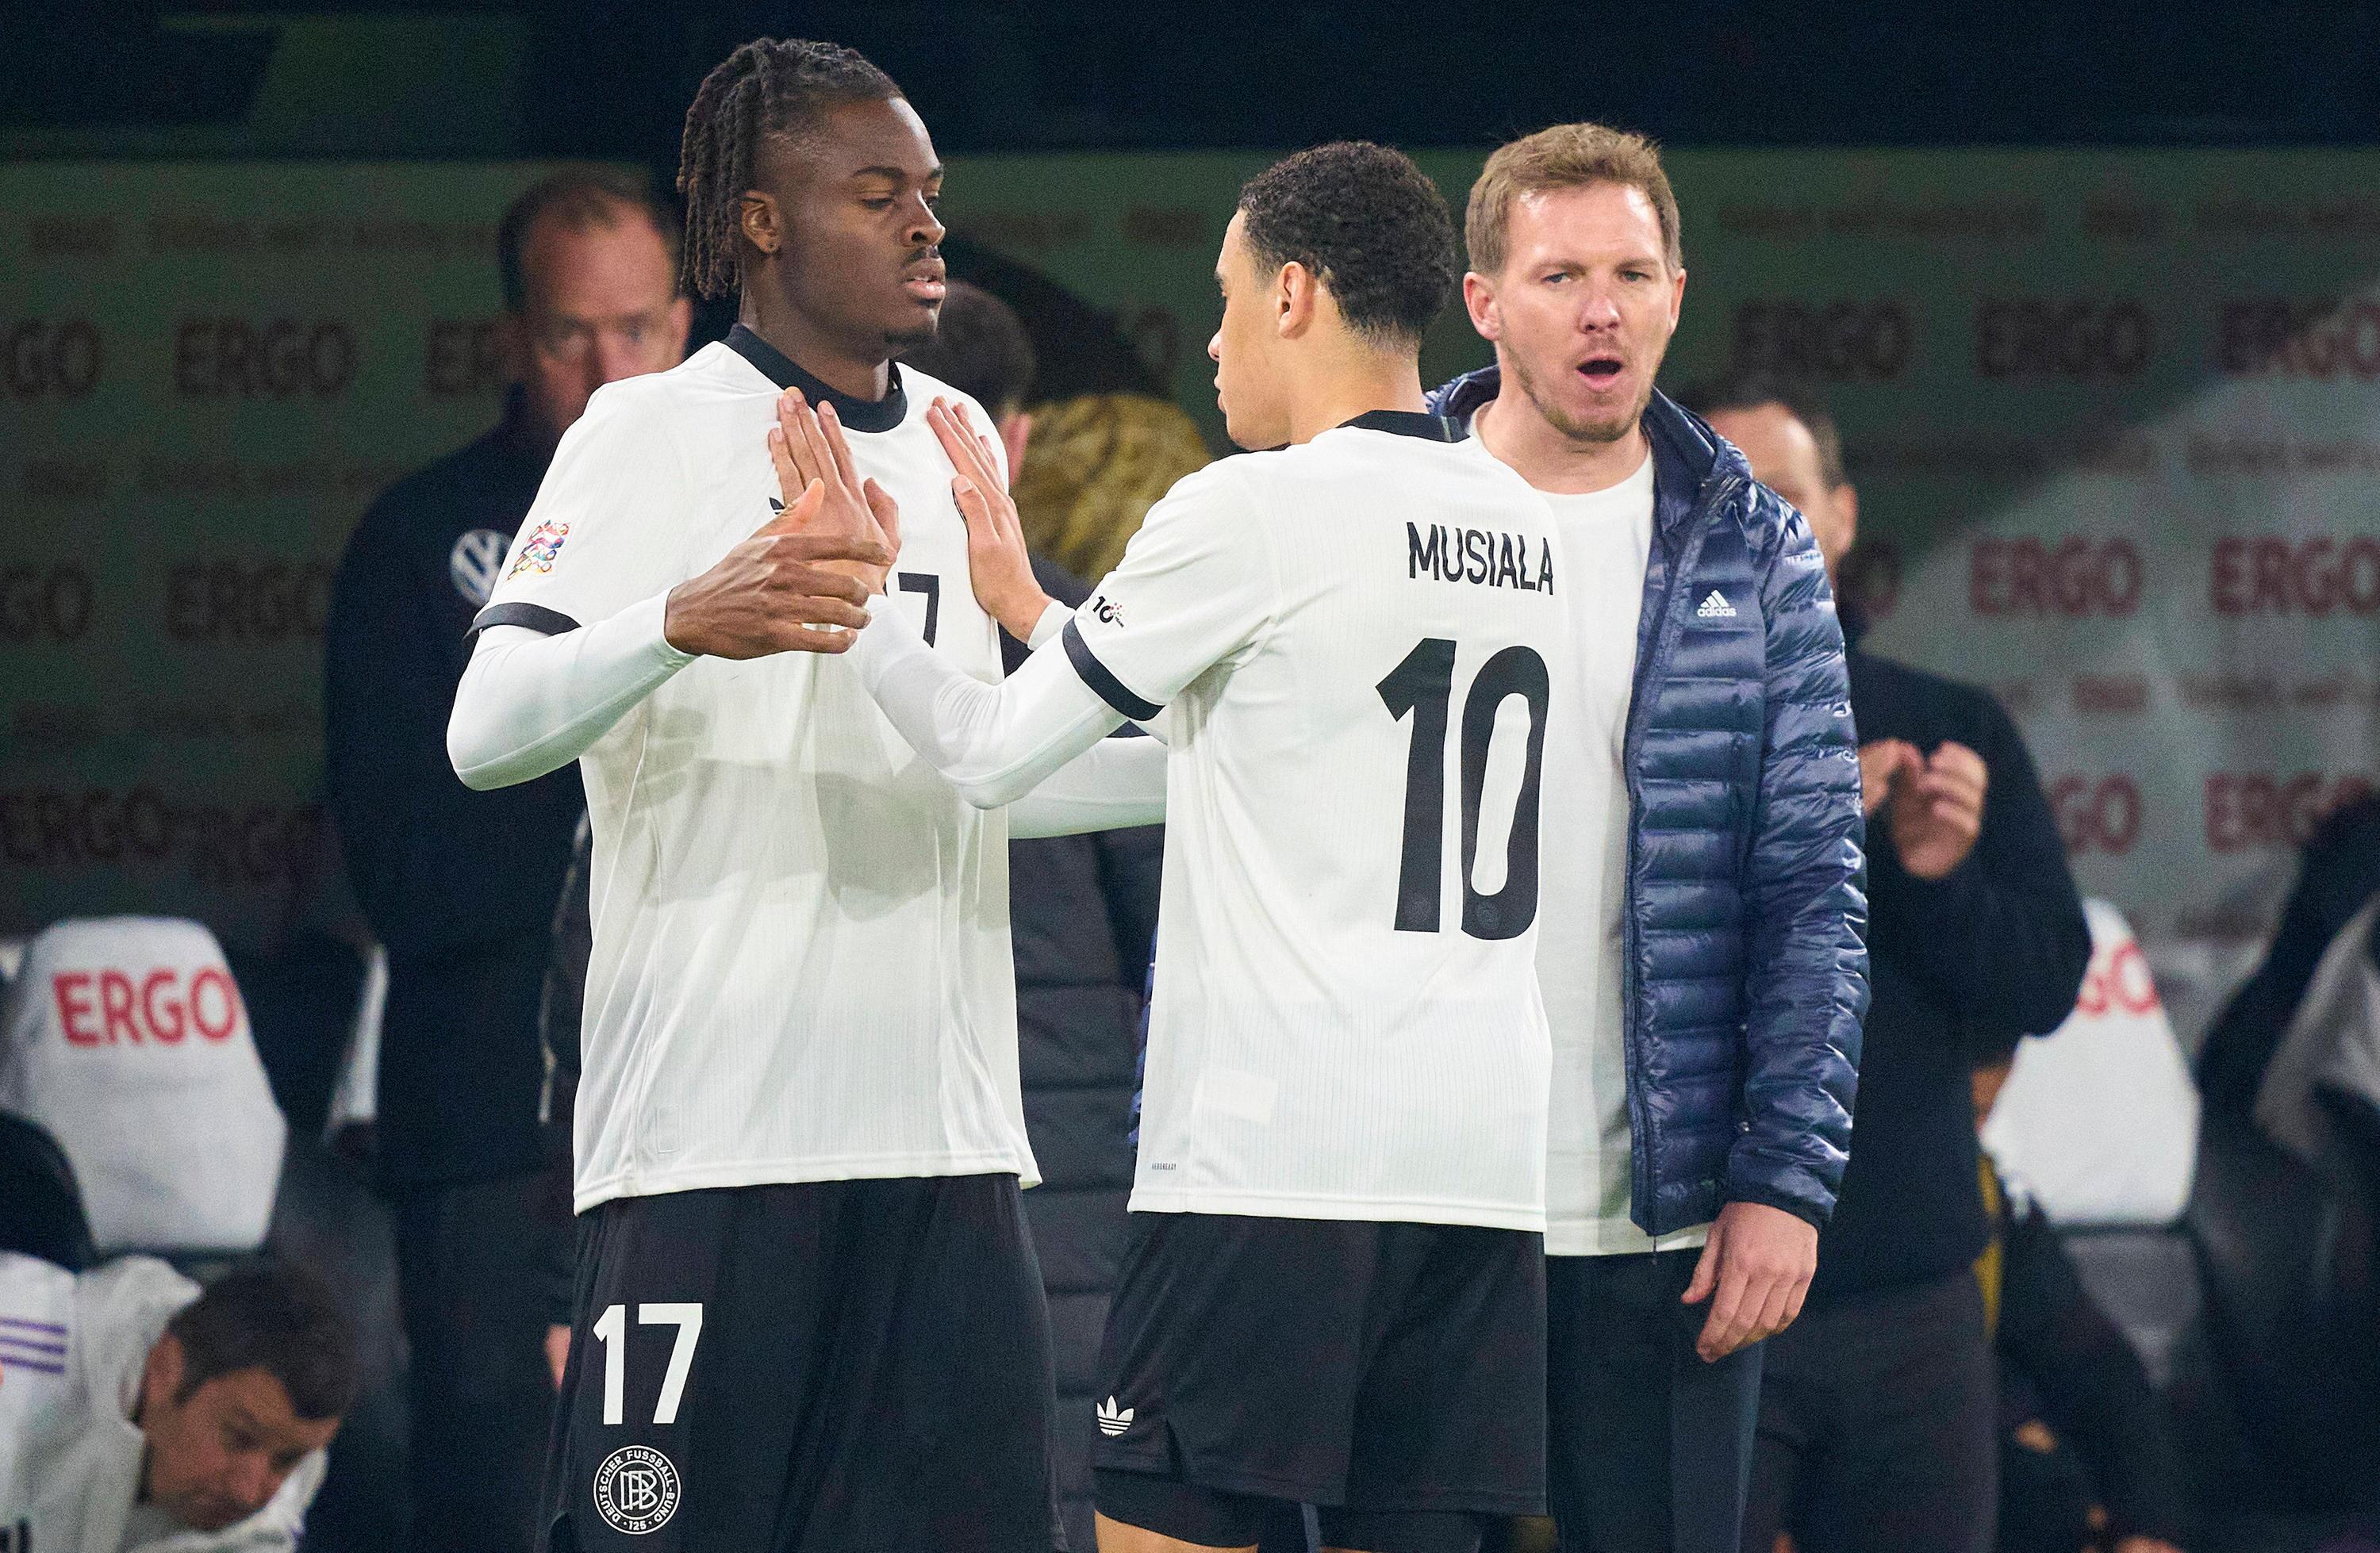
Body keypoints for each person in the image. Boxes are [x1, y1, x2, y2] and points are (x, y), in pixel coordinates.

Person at [444, 36, 1163, 1552]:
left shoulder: (959, 436)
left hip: (950, 1151)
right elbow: (485, 730)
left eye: (931, 191)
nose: (926, 224)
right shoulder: (645, 428)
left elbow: (972, 773)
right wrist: (677, 621)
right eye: (878, 192)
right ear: (762, 220)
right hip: (711, 1143)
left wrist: (1198, 781)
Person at [835, 140, 1567, 1553]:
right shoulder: (1523, 525)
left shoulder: (1251, 508)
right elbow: (1243, 750)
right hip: (1478, 1168)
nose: (1215, 342)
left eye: (1226, 298)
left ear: (1293, 294)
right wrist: (1036, 614)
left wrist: (859, 602)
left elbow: (990, 753)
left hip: (1272, 1162)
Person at [1423, 126, 1869, 1553]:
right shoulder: (1370, 504)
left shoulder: (1759, 547)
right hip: (1416, 1196)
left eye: (1629, 273)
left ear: (1677, 293)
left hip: (1661, 1226)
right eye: (1559, 276)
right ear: (1484, 302)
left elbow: (1812, 888)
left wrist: (1782, 1181)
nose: (1600, 309)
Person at [322, 167, 691, 1552]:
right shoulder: (421, 543)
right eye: (568, 335)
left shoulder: (749, 525)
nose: (607, 370)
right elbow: (404, 871)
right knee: (498, 1500)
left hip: (704, 1112)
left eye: (637, 329)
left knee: (687, 1502)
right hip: (487, 1123)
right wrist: (599, 725)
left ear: (685, 322)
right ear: (509, 340)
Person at [1678, 374, 2090, 1553]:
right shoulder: (1642, 728)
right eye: (1722, 502)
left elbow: (2044, 984)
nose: (1761, 526)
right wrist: (1811, 832)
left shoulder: (1948, 725)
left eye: (1785, 496)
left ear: (1843, 515)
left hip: (1917, 1307)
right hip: (1703, 1290)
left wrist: (1933, 877)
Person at [903, 279, 1168, 1553]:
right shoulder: (1108, 654)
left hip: (873, 1169)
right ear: (1010, 438)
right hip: (1074, 1194)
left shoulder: (775, 633)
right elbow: (1181, 952)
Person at [1970, 1058, 2192, 1553]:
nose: (1975, 1132)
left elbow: (2092, 1359)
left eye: (1985, 1114)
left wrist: (2146, 1523)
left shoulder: (1993, 1195)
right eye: (1970, 1112)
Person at [0, 1253, 357, 1551]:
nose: (247, 1492)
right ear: (164, 1369)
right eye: (239, 1438)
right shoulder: (16, 1374)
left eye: (287, 1460)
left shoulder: (285, 1487)